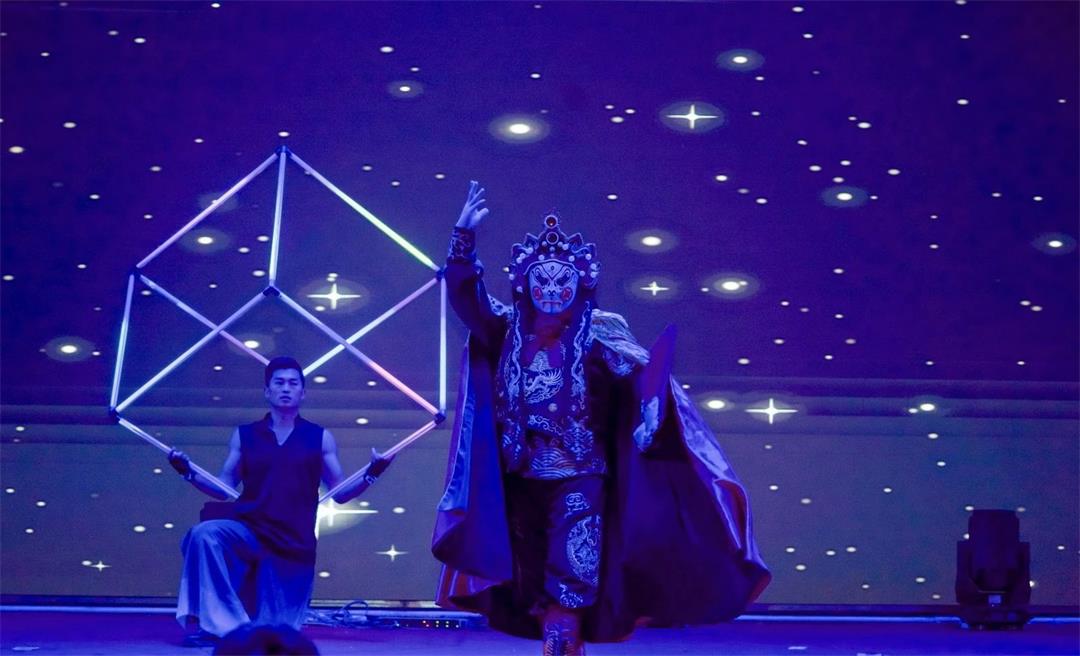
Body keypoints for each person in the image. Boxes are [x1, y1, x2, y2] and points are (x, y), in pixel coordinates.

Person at [432, 182, 771, 655]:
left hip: (581, 475)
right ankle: (557, 640)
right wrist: (463, 242)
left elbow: (644, 381)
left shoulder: (601, 331)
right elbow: (468, 300)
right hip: (519, 477)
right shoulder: (506, 330)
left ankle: (563, 643)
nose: (553, 291)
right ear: (526, 285)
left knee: (572, 571)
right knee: (529, 575)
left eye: (563, 282)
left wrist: (651, 415)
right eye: (543, 282)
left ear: (579, 285)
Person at [168, 356, 393, 647]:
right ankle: (220, 630)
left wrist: (373, 472)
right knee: (204, 535)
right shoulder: (245, 435)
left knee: (275, 636)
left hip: (292, 544)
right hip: (248, 533)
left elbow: (340, 493)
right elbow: (223, 487)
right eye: (279, 383)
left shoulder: (319, 438)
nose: (286, 388)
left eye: (293, 383)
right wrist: (187, 472)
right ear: (267, 391)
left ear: (303, 393)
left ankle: (245, 626)